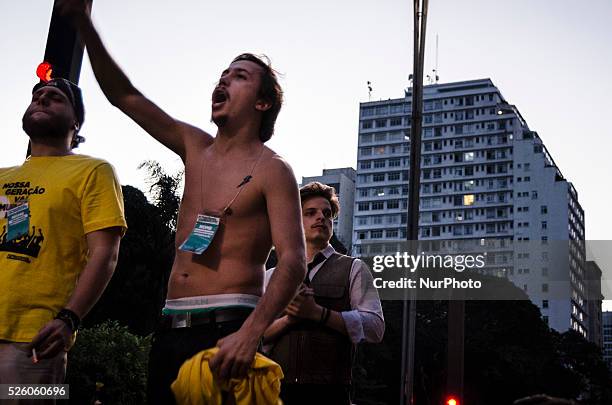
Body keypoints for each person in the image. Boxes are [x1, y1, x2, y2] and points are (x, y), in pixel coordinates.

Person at [57, 1, 306, 403]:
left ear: (263, 103)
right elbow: (124, 96)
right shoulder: (195, 146)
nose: (223, 81)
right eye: (222, 75)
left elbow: (293, 260)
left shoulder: (274, 170)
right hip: (170, 326)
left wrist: (251, 333)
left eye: (239, 77)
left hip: (229, 328)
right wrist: (85, 26)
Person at [0, 78, 127, 397]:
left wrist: (70, 318)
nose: (41, 99)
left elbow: (105, 253)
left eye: (54, 97)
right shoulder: (3, 176)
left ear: (76, 121)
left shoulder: (94, 171)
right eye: (36, 96)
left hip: (35, 339)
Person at [263, 182, 385, 405]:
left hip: (332, 393)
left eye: (327, 214)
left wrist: (319, 313)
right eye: (311, 213)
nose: (321, 217)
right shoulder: (270, 276)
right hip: (275, 393)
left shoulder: (354, 268)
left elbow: (375, 327)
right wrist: (290, 319)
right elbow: (254, 336)